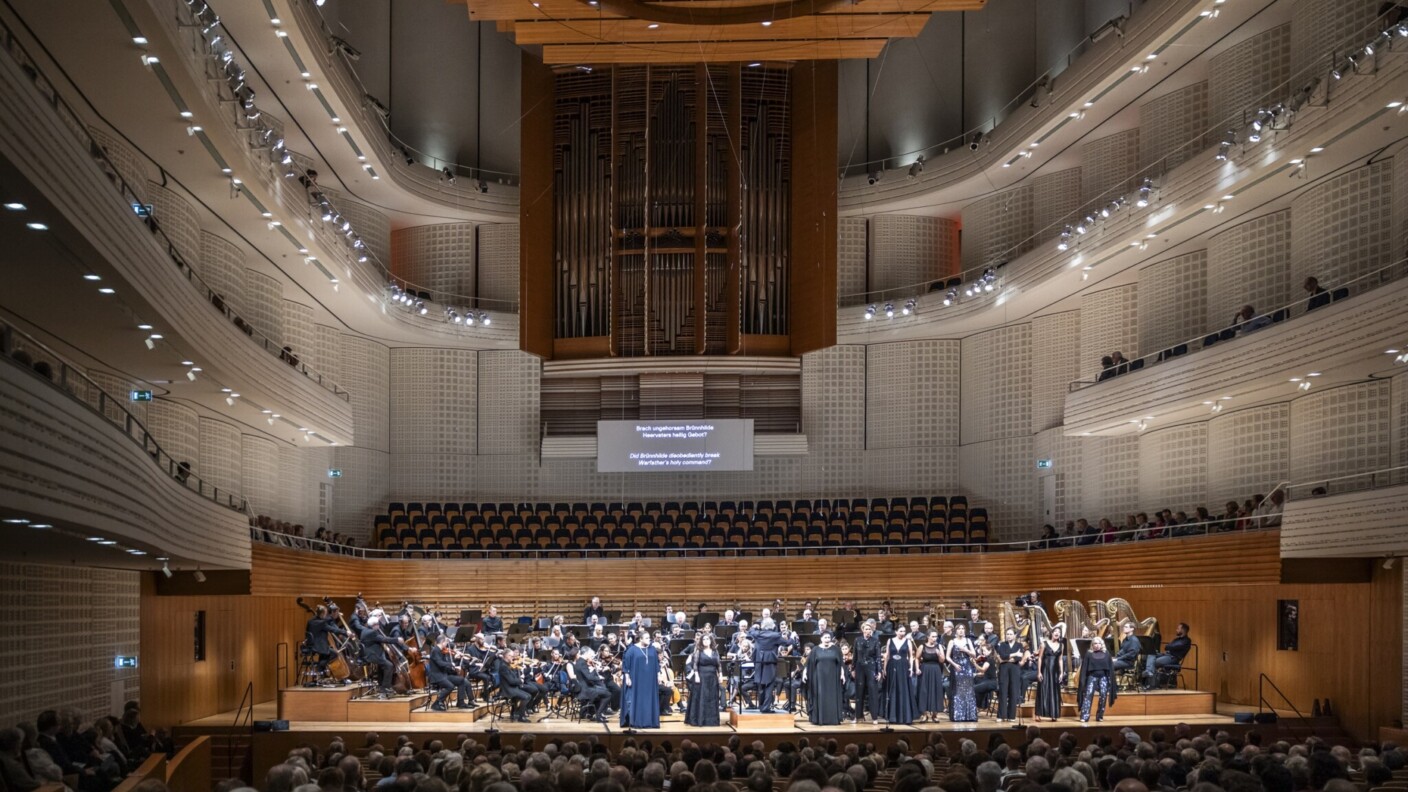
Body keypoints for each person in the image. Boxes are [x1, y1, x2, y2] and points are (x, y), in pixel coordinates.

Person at [748, 617, 794, 713]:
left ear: (763, 626)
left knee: (761, 684)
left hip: (759, 660)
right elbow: (787, 643)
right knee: (769, 684)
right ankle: (766, 708)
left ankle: (761, 706)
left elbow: (750, 631)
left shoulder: (758, 634)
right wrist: (792, 637)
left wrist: (754, 626)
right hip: (770, 661)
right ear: (773, 626)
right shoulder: (775, 635)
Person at [803, 631, 845, 725]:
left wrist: (842, 674)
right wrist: (804, 673)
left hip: (833, 678)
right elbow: (808, 664)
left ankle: (833, 719)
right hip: (819, 678)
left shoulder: (836, 649)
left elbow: (841, 664)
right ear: (821, 639)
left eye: (828, 638)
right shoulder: (815, 650)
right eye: (825, 638)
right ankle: (819, 719)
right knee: (820, 696)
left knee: (832, 697)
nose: (827, 640)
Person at [620, 630, 660, 728]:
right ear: (640, 639)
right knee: (638, 699)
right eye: (646, 638)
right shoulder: (632, 649)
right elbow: (626, 665)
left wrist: (658, 675)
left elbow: (656, 664)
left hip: (650, 680)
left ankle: (650, 721)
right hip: (637, 679)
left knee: (649, 699)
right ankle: (637, 721)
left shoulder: (652, 649)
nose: (649, 640)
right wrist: (627, 677)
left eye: (649, 638)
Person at [880, 624, 917, 724]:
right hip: (892, 666)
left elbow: (911, 656)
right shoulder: (889, 641)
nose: (902, 633)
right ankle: (893, 716)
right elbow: (887, 656)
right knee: (893, 690)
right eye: (900, 631)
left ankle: (904, 716)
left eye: (904, 631)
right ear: (896, 632)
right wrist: (884, 669)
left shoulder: (908, 641)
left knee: (902, 689)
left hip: (904, 667)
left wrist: (911, 668)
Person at [426, 635, 474, 711]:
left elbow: (444, 664)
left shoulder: (440, 651)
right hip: (437, 676)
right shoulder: (435, 650)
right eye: (446, 642)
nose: (446, 644)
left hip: (443, 674)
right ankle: (436, 703)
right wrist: (451, 664)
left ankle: (461, 702)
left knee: (461, 680)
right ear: (442, 642)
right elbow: (440, 663)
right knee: (450, 686)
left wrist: (454, 668)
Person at [359, 612, 400, 698]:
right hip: (373, 655)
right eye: (378, 624)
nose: (379, 626)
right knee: (389, 665)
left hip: (369, 654)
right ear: (374, 625)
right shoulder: (372, 633)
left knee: (384, 665)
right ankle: (385, 687)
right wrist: (397, 639)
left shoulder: (365, 630)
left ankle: (382, 684)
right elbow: (385, 639)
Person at [305, 604, 348, 685]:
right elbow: (333, 630)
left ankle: (322, 674)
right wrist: (346, 632)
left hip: (310, 645)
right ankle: (320, 670)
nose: (326, 616)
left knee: (325, 655)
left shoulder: (310, 621)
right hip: (319, 646)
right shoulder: (322, 623)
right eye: (325, 614)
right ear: (322, 614)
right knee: (334, 654)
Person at [684, 634, 722, 726]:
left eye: (707, 639)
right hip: (702, 676)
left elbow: (719, 664)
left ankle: (711, 721)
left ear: (710, 640)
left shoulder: (715, 651)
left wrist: (720, 675)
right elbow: (695, 665)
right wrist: (696, 675)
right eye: (704, 639)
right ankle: (700, 720)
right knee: (702, 697)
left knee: (712, 697)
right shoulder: (698, 651)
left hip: (712, 677)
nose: (705, 640)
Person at [1078, 638, 1117, 722]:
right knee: (1088, 695)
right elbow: (1084, 668)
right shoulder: (1089, 654)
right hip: (1092, 677)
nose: (1097, 645)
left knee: (1103, 696)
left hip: (1103, 677)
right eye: (1095, 643)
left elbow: (1110, 668)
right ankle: (1084, 716)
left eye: (1098, 643)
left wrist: (1110, 681)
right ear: (1092, 645)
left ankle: (1099, 716)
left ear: (1102, 644)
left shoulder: (1106, 654)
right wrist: (1083, 680)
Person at [1035, 622, 1068, 721]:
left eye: (1059, 632)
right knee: (1043, 691)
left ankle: (1054, 713)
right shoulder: (1044, 643)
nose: (1057, 633)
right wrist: (1039, 672)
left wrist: (1062, 672)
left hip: (1055, 672)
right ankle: (1038, 714)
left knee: (1054, 692)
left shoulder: (1061, 645)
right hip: (1045, 670)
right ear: (1052, 633)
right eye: (1055, 631)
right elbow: (1040, 658)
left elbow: (1060, 659)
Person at [946, 623, 979, 722]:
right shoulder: (952, 641)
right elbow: (947, 656)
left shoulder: (968, 641)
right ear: (956, 631)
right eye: (959, 629)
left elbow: (974, 654)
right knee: (958, 692)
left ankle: (970, 716)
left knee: (968, 691)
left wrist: (966, 650)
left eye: (963, 628)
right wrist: (954, 665)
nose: (961, 630)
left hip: (967, 668)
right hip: (957, 668)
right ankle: (958, 715)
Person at [1143, 622, 1191, 689]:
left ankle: (1151, 684)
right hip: (1166, 655)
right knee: (1149, 654)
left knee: (1155, 661)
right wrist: (1171, 646)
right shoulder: (1176, 639)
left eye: (1178, 628)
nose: (1176, 630)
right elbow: (1167, 647)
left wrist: (1171, 646)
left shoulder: (1187, 641)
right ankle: (1149, 673)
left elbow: (1170, 646)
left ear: (1183, 630)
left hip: (1173, 658)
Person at [851, 619, 881, 723]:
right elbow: (855, 655)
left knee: (872, 691)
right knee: (859, 692)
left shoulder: (875, 641)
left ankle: (874, 717)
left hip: (871, 667)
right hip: (859, 667)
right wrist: (852, 669)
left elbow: (878, 657)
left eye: (870, 629)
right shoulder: (857, 640)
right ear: (862, 630)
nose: (868, 631)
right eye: (866, 629)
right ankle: (858, 716)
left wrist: (879, 671)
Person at [995, 627, 1027, 722]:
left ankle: (1011, 716)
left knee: (1013, 691)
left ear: (1014, 635)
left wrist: (1006, 659)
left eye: (1010, 634)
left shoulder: (1019, 645)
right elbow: (1002, 656)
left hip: (1015, 670)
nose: (1008, 636)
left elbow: (1019, 658)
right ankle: (1001, 715)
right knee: (1003, 691)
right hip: (1004, 669)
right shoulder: (1002, 645)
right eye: (1007, 634)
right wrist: (1013, 655)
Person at [914, 630, 946, 722]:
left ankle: (935, 715)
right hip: (925, 669)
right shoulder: (922, 646)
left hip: (935, 670)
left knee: (936, 690)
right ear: (928, 637)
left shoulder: (939, 646)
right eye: (933, 636)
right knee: (924, 691)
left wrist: (939, 653)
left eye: (936, 637)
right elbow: (917, 658)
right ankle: (925, 714)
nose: (935, 638)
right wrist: (917, 668)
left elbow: (942, 661)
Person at [572, 648, 611, 721]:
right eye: (590, 655)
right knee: (608, 694)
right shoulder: (582, 663)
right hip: (586, 690)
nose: (591, 657)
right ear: (586, 653)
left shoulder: (579, 661)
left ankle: (593, 713)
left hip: (584, 687)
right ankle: (599, 715)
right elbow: (589, 677)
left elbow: (586, 675)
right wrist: (599, 677)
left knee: (603, 691)